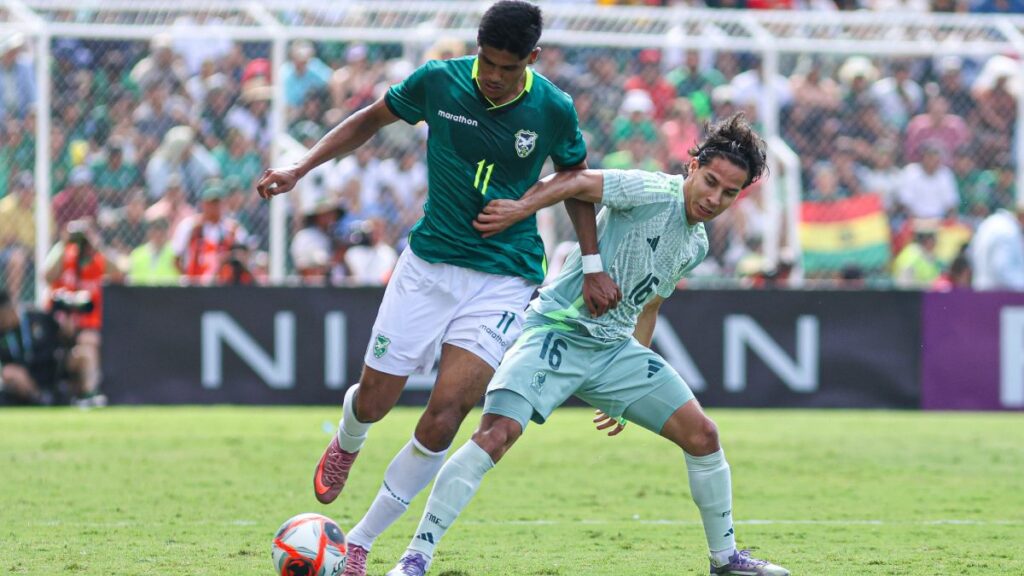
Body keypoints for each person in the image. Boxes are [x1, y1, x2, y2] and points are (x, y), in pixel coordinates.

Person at [256, 3, 621, 574]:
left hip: (506, 275)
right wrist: (301, 167)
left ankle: (359, 542)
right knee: (374, 400)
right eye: (486, 61)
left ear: (533, 58)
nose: (493, 75)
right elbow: (371, 118)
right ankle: (348, 441)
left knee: (447, 414)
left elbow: (576, 180)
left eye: (507, 65)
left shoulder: (553, 107)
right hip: (428, 267)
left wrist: (590, 260)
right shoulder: (439, 81)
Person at [387, 114, 789, 576]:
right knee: (496, 435)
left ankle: (725, 560)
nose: (714, 199)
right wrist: (521, 209)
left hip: (614, 349)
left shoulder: (695, 243)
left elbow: (649, 306)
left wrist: (626, 391)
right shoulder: (648, 190)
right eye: (711, 182)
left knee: (704, 436)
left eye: (729, 193)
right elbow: (572, 181)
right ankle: (415, 556)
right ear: (693, 166)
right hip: (556, 329)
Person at [0, 290, 61, 406]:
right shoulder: (2, 334)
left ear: (9, 310)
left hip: (46, 370)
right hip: (21, 379)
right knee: (10, 372)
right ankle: (40, 399)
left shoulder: (38, 318)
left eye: (1, 318)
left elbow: (59, 339)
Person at [971, 204, 1024, 290]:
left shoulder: (992, 222)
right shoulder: (1008, 231)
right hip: (999, 295)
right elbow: (1002, 269)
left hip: (984, 290)